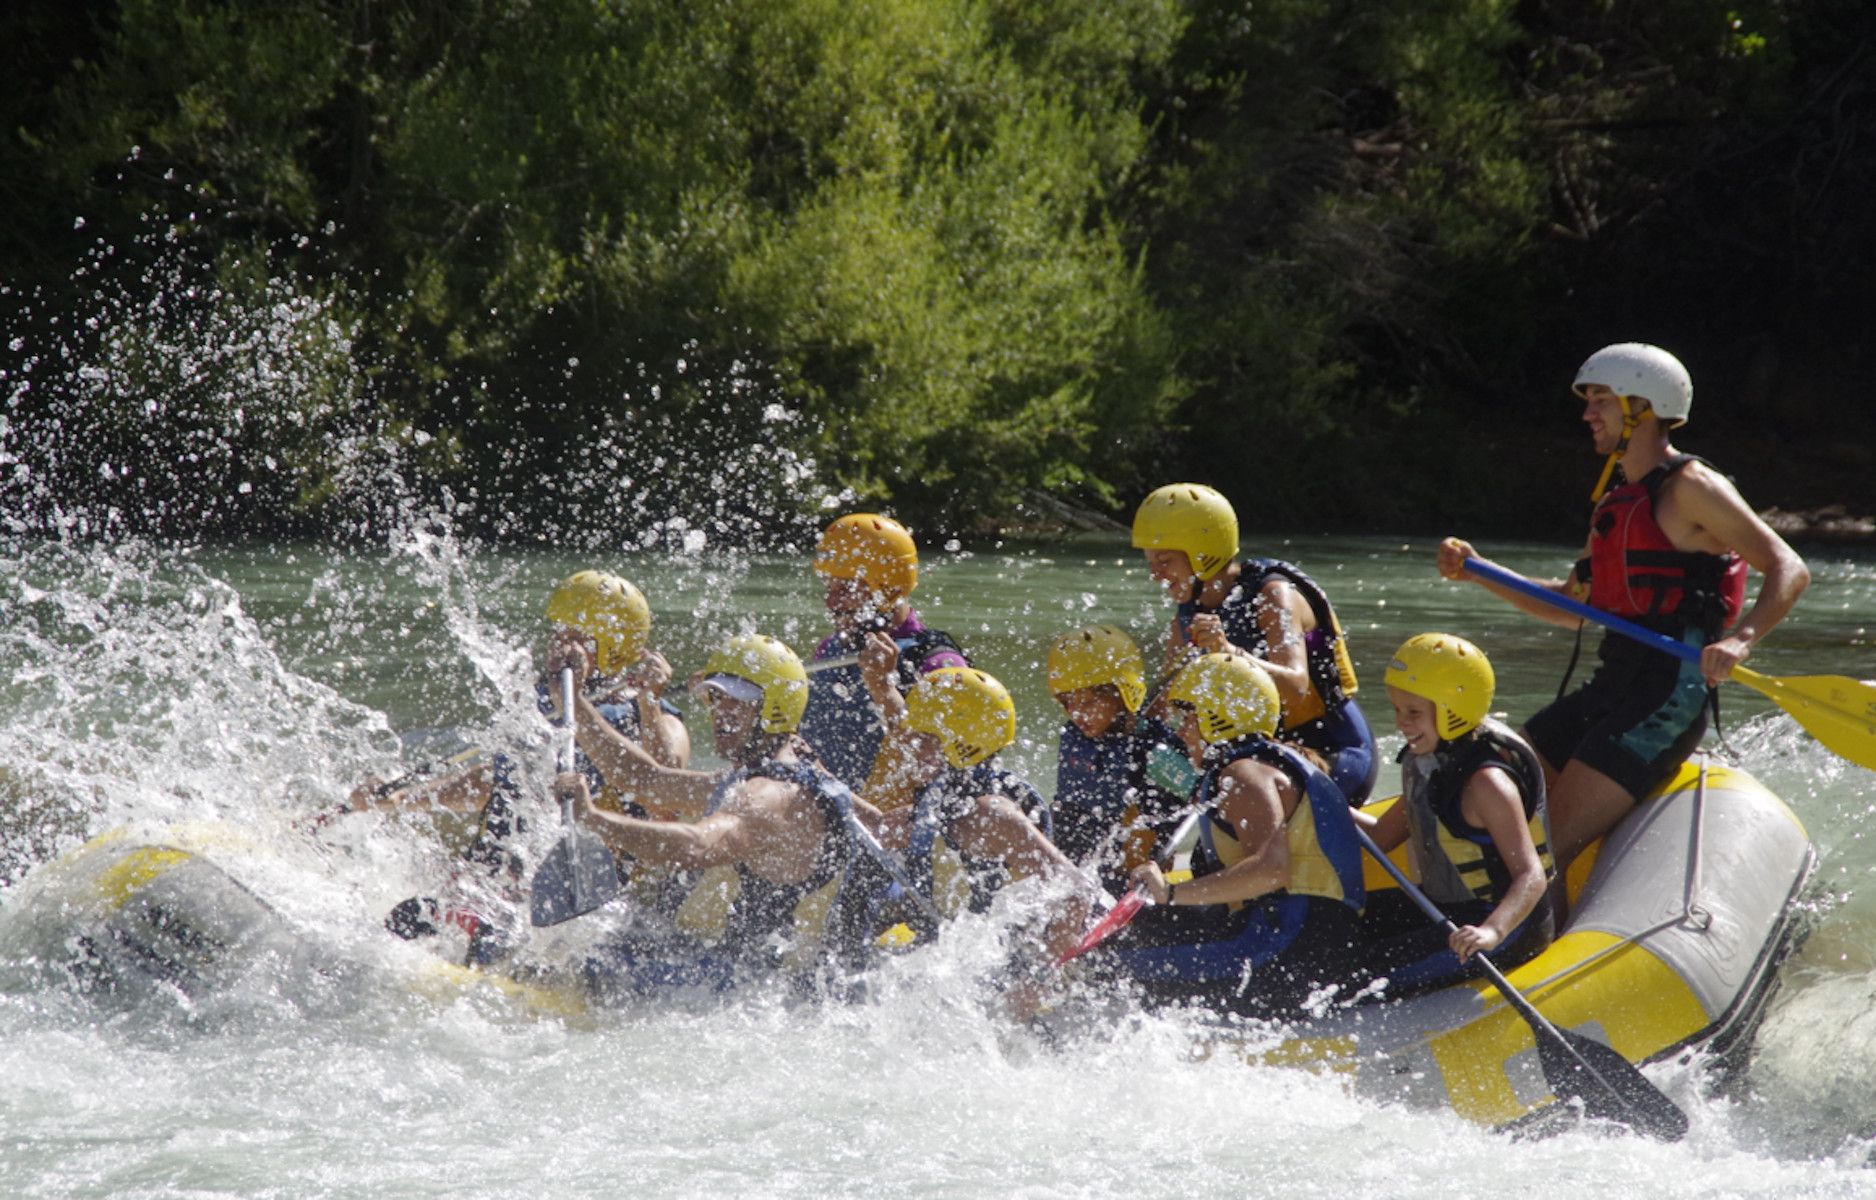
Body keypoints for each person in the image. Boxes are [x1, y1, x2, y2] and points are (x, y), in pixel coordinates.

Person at [1437, 343, 1810, 873]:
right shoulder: (1616, 504)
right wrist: (1479, 571)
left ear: (1643, 407)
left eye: (1602, 401)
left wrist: (1740, 639)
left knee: (1542, 850)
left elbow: (1788, 566)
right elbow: (1571, 606)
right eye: (1589, 401)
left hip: (1667, 695)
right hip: (1612, 685)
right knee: (1486, 770)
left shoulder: (1692, 488)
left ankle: (1532, 916)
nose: (1588, 414)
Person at [345, 570, 687, 964]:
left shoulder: (650, 717)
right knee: (408, 917)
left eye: (577, 637)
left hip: (586, 891)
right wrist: (400, 799)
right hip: (501, 877)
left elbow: (666, 793)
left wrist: (649, 702)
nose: (560, 645)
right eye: (559, 631)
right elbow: (501, 779)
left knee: (486, 938)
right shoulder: (546, 700)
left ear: (613, 649)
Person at [557, 633, 890, 993]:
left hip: (760, 997)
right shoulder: (763, 775)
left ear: (775, 708)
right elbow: (644, 779)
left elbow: (696, 846)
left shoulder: (769, 797)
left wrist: (594, 819)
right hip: (718, 979)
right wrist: (571, 698)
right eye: (716, 699)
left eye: (737, 702)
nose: (720, 714)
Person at [1093, 654, 1366, 1018]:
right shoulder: (1264, 765)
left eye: (1188, 719)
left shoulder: (1244, 775)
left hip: (1291, 947)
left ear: (1217, 718)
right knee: (1130, 933)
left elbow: (1271, 871)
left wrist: (1169, 892)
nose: (1181, 732)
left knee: (1103, 970)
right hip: (1302, 938)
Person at [859, 658, 1095, 1019]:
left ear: (962, 745)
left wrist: (1037, 981)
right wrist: (820, 778)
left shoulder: (992, 814)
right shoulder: (945, 794)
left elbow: (1077, 889)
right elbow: (881, 829)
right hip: (959, 972)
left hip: (1005, 988)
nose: (906, 745)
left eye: (924, 738)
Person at [1131, 483, 1379, 805]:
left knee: (1242, 792)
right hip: (1260, 753)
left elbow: (1296, 687)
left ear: (1203, 553)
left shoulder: (1273, 597)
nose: (1155, 574)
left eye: (1164, 561)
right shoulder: (1187, 617)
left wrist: (1229, 652)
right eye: (1150, 562)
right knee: (1139, 764)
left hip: (1331, 750)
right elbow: (1162, 708)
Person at [1353, 634, 1553, 999]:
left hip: (1502, 928)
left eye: (1413, 712)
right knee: (1338, 924)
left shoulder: (1487, 784)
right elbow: (1381, 836)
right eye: (1396, 710)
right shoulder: (1430, 761)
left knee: (1355, 977)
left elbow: (1531, 875)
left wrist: (1492, 931)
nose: (1401, 723)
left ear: (1452, 709)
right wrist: (1324, 803)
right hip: (1444, 908)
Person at [796, 513, 968, 808]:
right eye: (829, 588)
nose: (830, 603)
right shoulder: (830, 649)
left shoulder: (939, 665)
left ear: (888, 590)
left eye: (845, 589)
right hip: (824, 812)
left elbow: (941, 768)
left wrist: (883, 688)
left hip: (888, 824)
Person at [1044, 624, 1196, 894]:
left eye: (1087, 703)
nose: (1076, 714)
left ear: (1123, 694)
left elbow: (1206, 797)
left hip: (1133, 880)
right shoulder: (1075, 738)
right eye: (1067, 703)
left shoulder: (1154, 753)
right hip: (1080, 874)